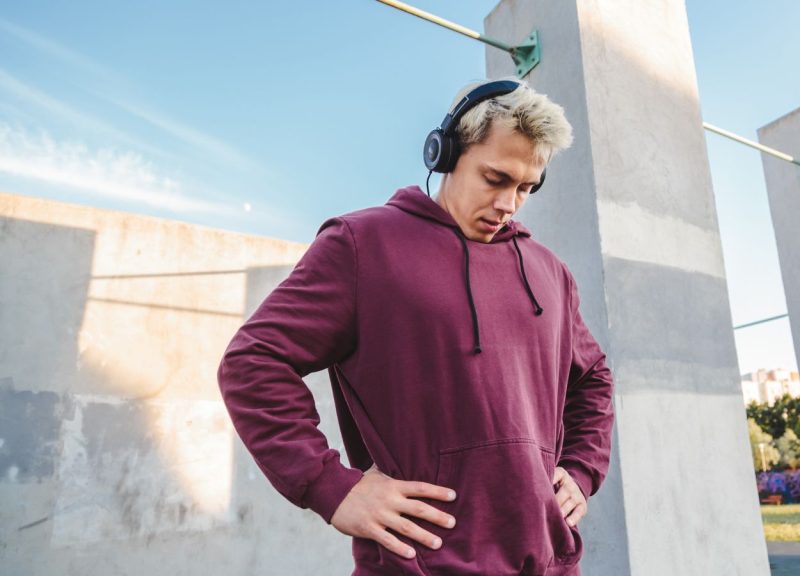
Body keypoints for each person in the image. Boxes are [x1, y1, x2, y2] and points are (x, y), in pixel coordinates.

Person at [217, 77, 615, 575]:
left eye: (525, 188)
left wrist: (581, 469)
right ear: (445, 154)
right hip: (418, 565)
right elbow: (253, 361)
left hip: (549, 563)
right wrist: (330, 485)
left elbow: (594, 376)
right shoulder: (362, 246)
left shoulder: (550, 272)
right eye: (495, 178)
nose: (509, 203)